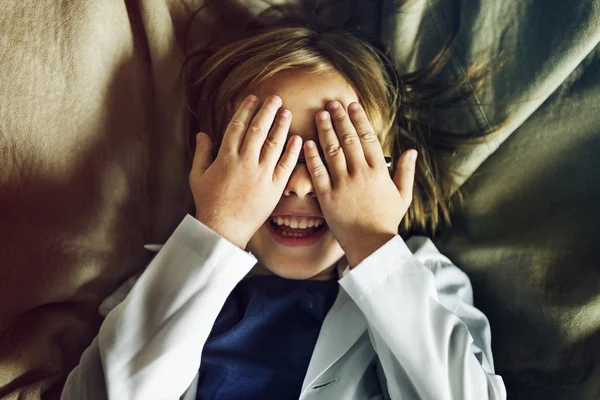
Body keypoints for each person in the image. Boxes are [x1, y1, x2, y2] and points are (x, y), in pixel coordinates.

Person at [61, 0, 507, 399]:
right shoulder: (165, 282)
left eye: (339, 155)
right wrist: (217, 230)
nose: (300, 185)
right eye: (269, 151)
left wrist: (373, 243)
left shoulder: (425, 279)